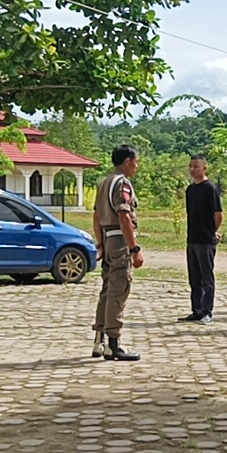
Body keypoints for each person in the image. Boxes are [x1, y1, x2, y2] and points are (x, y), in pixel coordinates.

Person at [92, 145, 143, 362]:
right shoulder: (122, 183)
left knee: (106, 290)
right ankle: (113, 343)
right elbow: (124, 216)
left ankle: (99, 340)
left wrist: (100, 243)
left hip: (107, 237)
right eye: (136, 162)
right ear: (127, 161)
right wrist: (134, 248)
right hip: (119, 240)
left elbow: (96, 216)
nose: (137, 166)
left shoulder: (104, 182)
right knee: (118, 290)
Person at [180, 155, 223, 324]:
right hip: (192, 239)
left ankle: (207, 311)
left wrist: (212, 231)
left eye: (196, 166)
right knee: (194, 277)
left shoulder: (210, 188)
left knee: (206, 277)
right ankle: (196, 310)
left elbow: (218, 215)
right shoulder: (190, 190)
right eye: (190, 166)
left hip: (206, 240)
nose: (192, 169)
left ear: (204, 168)